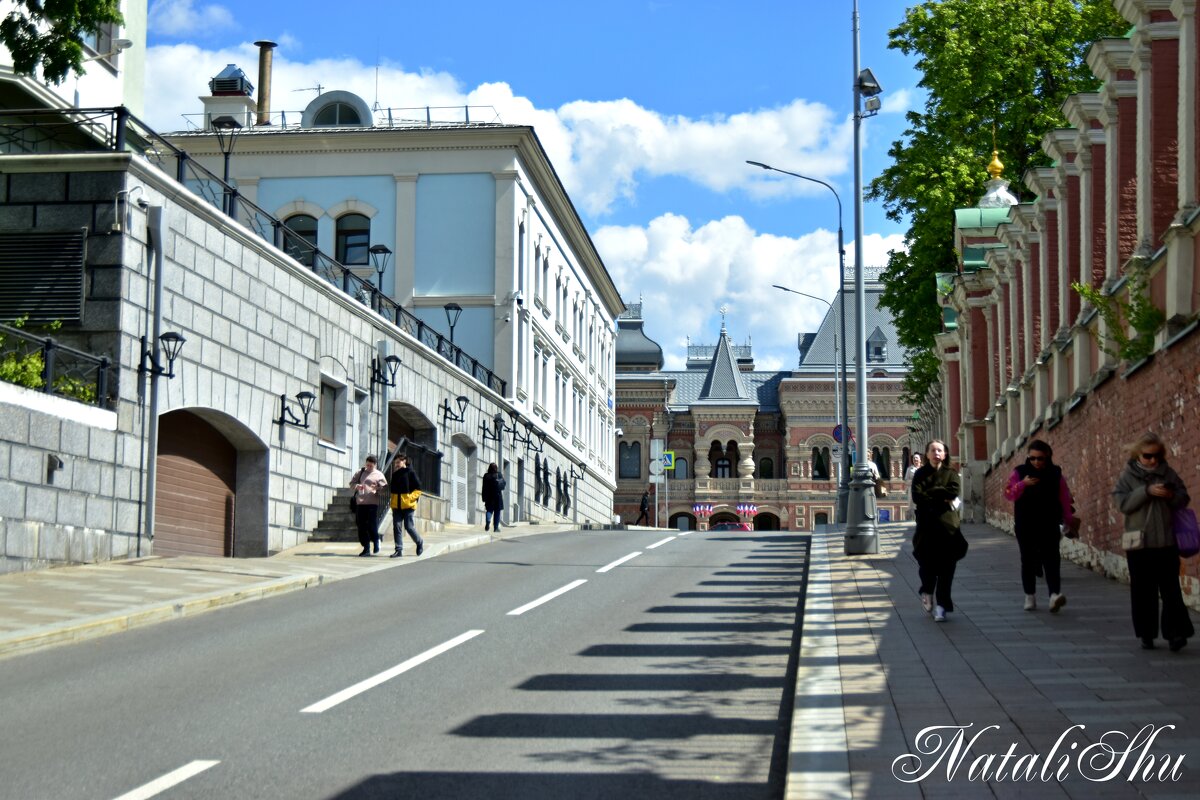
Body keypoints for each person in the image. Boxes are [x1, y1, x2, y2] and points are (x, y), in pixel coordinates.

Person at [1113, 432, 1193, 652]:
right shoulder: (1127, 476)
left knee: (1171, 589)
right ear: (1138, 455)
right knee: (1142, 591)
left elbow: (1183, 498)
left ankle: (1176, 634)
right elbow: (1122, 504)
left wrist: (1170, 496)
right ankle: (1146, 634)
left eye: (1157, 456)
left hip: (1166, 542)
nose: (1153, 460)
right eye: (1148, 456)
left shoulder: (1168, 473)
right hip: (1139, 544)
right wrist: (1146, 492)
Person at [1004, 440, 1076, 613]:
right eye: (1033, 458)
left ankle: (1054, 595)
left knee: (1052, 559)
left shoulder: (1055, 473)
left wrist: (1068, 519)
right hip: (1025, 523)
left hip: (1049, 522)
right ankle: (1030, 595)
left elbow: (1064, 497)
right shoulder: (1019, 472)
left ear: (1048, 457)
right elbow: (1008, 494)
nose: (1036, 462)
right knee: (1027, 559)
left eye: (1040, 459)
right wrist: (1023, 484)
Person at [910, 440, 963, 622]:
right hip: (926, 528)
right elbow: (917, 496)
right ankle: (927, 590)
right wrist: (941, 495)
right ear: (927, 454)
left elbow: (953, 492)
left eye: (939, 450)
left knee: (947, 570)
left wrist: (931, 494)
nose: (936, 453)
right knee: (926, 566)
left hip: (948, 528)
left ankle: (942, 606)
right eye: (932, 450)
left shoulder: (951, 474)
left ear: (945, 454)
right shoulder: (920, 475)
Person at [349, 455, 387, 557]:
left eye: (371, 466)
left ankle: (375, 541)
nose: (368, 467)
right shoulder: (360, 472)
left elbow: (385, 490)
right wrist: (357, 486)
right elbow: (351, 484)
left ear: (375, 465)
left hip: (372, 503)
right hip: (360, 503)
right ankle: (366, 548)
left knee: (372, 525)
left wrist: (378, 488)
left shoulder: (379, 475)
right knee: (361, 526)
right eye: (367, 465)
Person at [388, 453, 424, 558]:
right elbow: (392, 492)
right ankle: (398, 550)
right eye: (395, 463)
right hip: (396, 507)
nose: (397, 464)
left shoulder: (410, 473)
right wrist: (393, 502)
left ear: (404, 461)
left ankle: (419, 542)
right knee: (397, 527)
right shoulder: (394, 475)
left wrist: (409, 498)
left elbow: (418, 489)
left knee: (409, 527)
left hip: (408, 506)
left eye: (398, 462)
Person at [482, 462, 505, 533]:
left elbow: (484, 487)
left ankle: (488, 522)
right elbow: (503, 484)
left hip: (489, 497)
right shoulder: (499, 474)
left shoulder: (486, 476)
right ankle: (495, 528)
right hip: (497, 496)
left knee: (489, 510)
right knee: (497, 512)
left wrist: (484, 497)